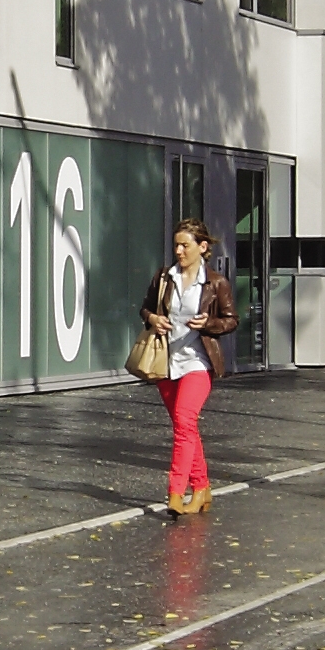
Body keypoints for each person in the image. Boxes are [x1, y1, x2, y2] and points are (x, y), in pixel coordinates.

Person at [144, 215, 233, 515]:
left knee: (184, 421)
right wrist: (153, 319)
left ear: (202, 246)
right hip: (166, 364)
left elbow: (232, 320)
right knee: (185, 427)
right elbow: (146, 308)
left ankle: (176, 492)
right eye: (176, 246)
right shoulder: (163, 277)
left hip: (198, 362)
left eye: (185, 245)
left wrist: (211, 324)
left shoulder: (215, 283)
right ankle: (203, 488)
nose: (179, 252)